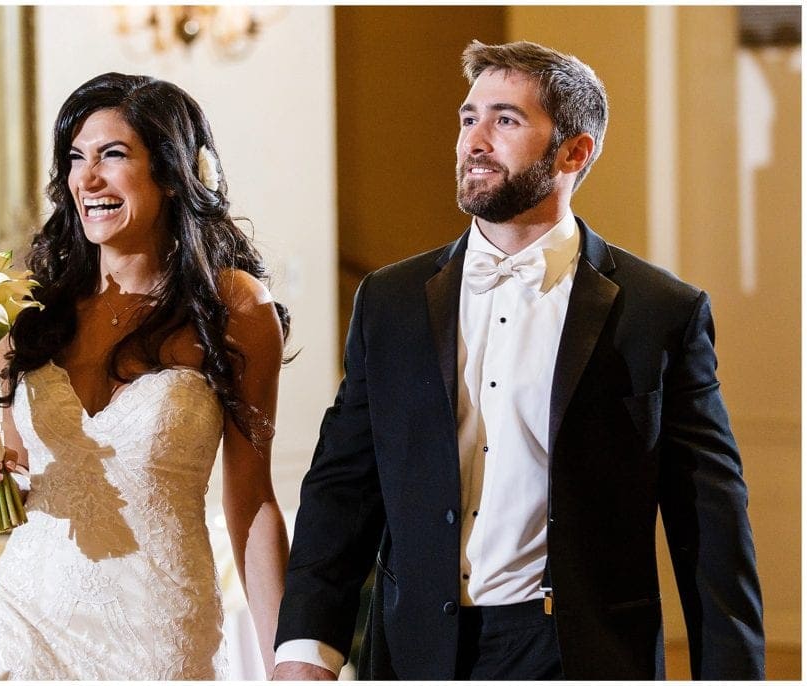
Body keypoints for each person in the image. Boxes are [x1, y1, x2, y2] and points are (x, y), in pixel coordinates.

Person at [273, 40, 764, 680]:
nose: (474, 139)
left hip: (582, 655)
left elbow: (711, 521)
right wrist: (306, 651)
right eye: (467, 117)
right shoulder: (390, 302)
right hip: (419, 651)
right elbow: (342, 485)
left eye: (505, 120)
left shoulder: (659, 311)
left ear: (574, 151)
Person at [0, 72, 290, 680]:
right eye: (77, 158)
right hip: (28, 617)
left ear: (169, 172)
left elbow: (253, 500)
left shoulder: (233, 307)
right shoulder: (30, 316)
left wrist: (288, 661)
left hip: (156, 625)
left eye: (113, 155)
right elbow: (26, 477)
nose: (88, 178)